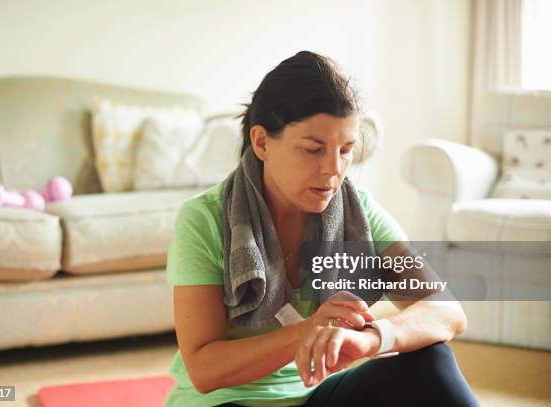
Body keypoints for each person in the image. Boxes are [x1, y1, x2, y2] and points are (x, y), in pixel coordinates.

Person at [163, 50, 479, 407]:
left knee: (430, 361)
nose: (333, 169)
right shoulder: (204, 220)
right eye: (313, 150)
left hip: (315, 397)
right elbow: (204, 369)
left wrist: (375, 337)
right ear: (261, 141)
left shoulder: (358, 212)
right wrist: (306, 332)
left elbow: (447, 311)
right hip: (226, 404)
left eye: (346, 150)